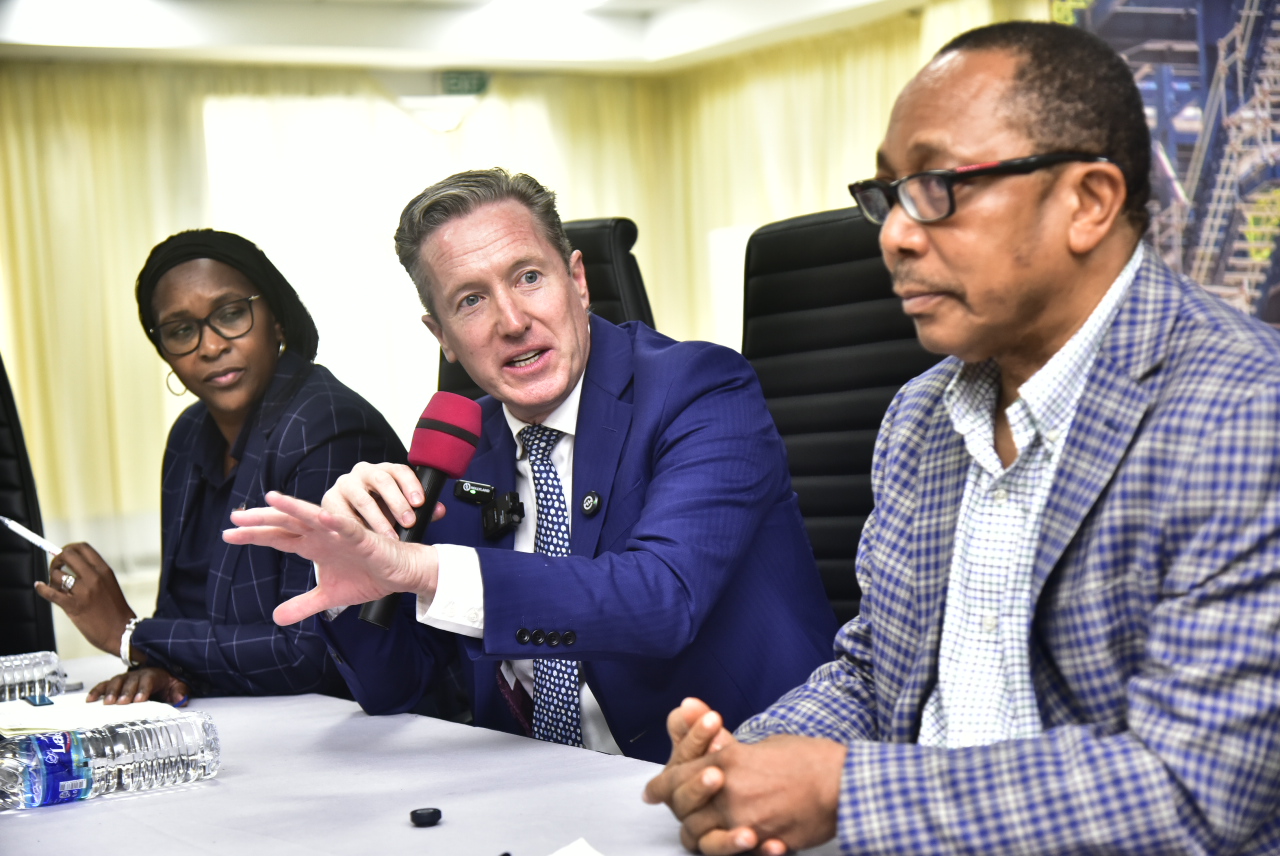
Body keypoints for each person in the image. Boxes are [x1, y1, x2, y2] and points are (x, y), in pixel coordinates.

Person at [644, 21, 1280, 855]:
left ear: (1089, 202)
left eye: (938, 185)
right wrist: (742, 762)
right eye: (888, 194)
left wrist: (842, 789)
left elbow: (1191, 790)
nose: (894, 234)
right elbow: (880, 673)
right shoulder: (920, 418)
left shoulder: (1247, 410)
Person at [224, 169, 837, 763]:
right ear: (442, 336)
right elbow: (397, 690)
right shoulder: (459, 445)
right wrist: (352, 570)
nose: (513, 322)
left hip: (740, 772)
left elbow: (662, 600)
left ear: (578, 280)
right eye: (471, 300)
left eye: (528, 277)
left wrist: (428, 570)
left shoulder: (701, 388)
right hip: (538, 790)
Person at [36, 229, 406, 706]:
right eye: (181, 330)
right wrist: (157, 669)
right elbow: (181, 609)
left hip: (350, 724)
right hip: (242, 718)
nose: (210, 347)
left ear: (277, 320)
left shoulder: (326, 427)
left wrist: (129, 635)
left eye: (231, 314)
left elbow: (313, 652)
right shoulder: (189, 435)